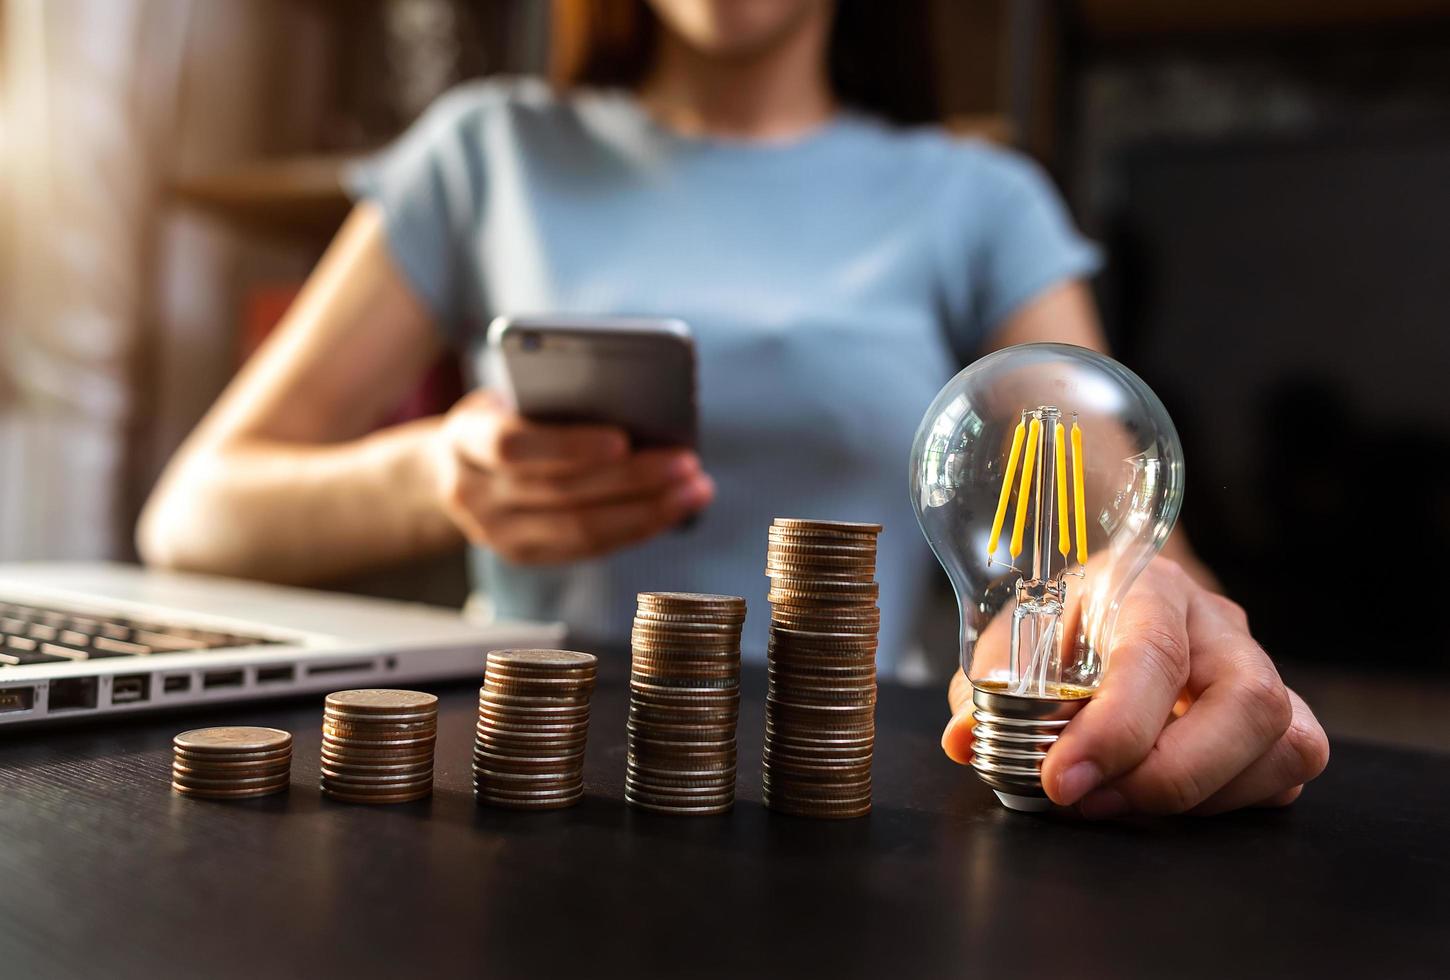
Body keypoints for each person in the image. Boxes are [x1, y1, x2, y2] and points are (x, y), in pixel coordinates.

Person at [138, 0, 1328, 817]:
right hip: (529, 787)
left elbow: (1124, 527)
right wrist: (436, 473)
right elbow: (193, 517)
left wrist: (1177, 621)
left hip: (864, 794)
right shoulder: (487, 151)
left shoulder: (977, 195)